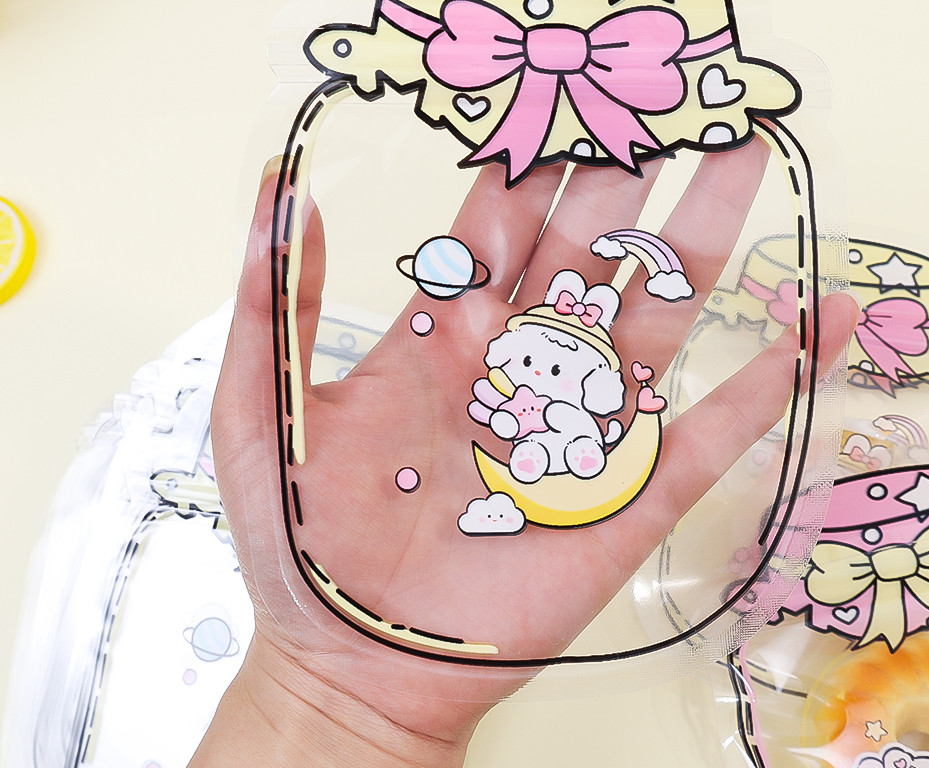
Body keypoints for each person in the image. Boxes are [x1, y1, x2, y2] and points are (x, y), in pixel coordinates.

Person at [195, 136, 858, 767]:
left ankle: (565, 457)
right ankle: (552, 462)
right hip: (536, 449)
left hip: (560, 442)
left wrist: (332, 691)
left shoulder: (572, 391)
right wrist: (333, 684)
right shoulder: (513, 385)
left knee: (568, 439)